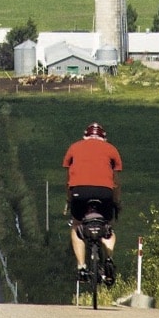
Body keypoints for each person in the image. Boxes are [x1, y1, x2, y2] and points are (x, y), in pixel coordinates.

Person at [63, 122, 123, 286]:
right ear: (103, 138)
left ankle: (82, 267)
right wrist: (116, 202)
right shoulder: (111, 149)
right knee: (107, 226)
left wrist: (69, 200)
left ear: (85, 136)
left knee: (76, 225)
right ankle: (109, 259)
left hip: (79, 192)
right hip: (105, 193)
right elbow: (116, 182)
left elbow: (68, 180)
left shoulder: (74, 147)